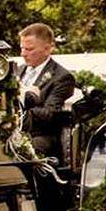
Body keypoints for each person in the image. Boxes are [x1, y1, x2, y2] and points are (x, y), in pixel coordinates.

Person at [18, 22, 75, 158]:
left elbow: (50, 115)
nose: (23, 54)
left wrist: (23, 98)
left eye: (29, 49)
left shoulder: (62, 77)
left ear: (47, 49)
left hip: (40, 136)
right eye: (22, 48)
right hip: (11, 132)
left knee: (23, 150)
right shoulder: (17, 70)